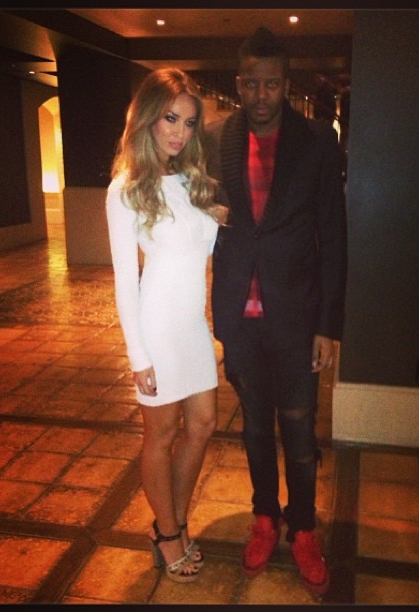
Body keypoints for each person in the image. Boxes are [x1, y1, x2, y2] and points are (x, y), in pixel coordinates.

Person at [204, 27, 347, 595]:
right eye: (250, 83)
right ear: (239, 82)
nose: (259, 94)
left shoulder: (316, 142)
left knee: (300, 429)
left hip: (297, 317)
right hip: (239, 316)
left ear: (285, 84)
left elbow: (333, 236)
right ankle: (265, 517)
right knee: (256, 428)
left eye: (270, 84)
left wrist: (328, 326)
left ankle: (303, 527)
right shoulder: (215, 138)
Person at [106, 67, 225, 583]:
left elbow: (204, 247)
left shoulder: (191, 183)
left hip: (193, 325)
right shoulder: (126, 189)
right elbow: (124, 281)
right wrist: (138, 356)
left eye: (189, 122)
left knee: (203, 424)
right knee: (160, 433)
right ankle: (170, 532)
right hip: (156, 325)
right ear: (149, 118)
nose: (179, 131)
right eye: (170, 118)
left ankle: (168, 522)